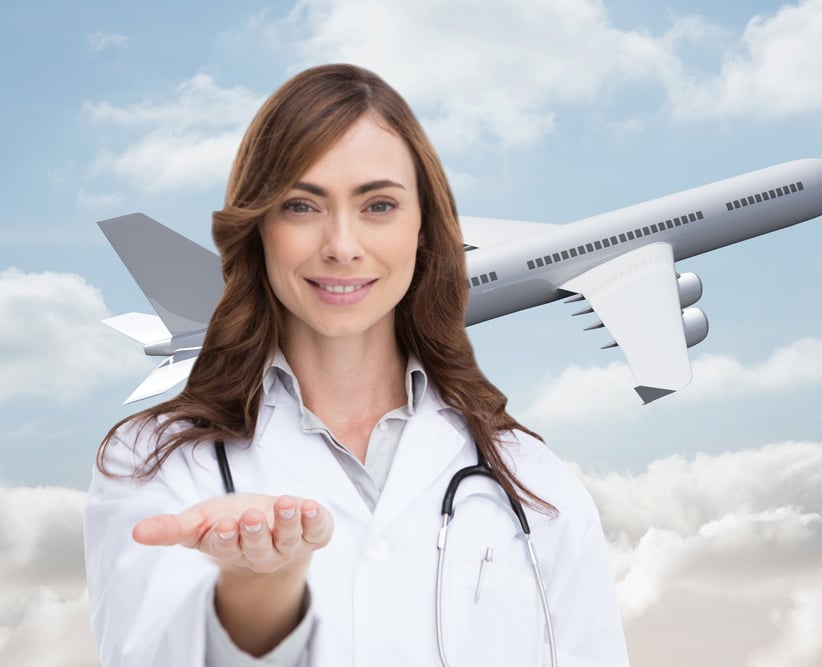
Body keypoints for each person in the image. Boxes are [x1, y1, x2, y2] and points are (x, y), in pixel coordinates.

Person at [84, 64, 629, 667]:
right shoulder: (155, 466)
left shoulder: (535, 482)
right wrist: (257, 593)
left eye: (378, 205)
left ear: (424, 227)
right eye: (301, 206)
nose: (342, 246)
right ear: (258, 227)